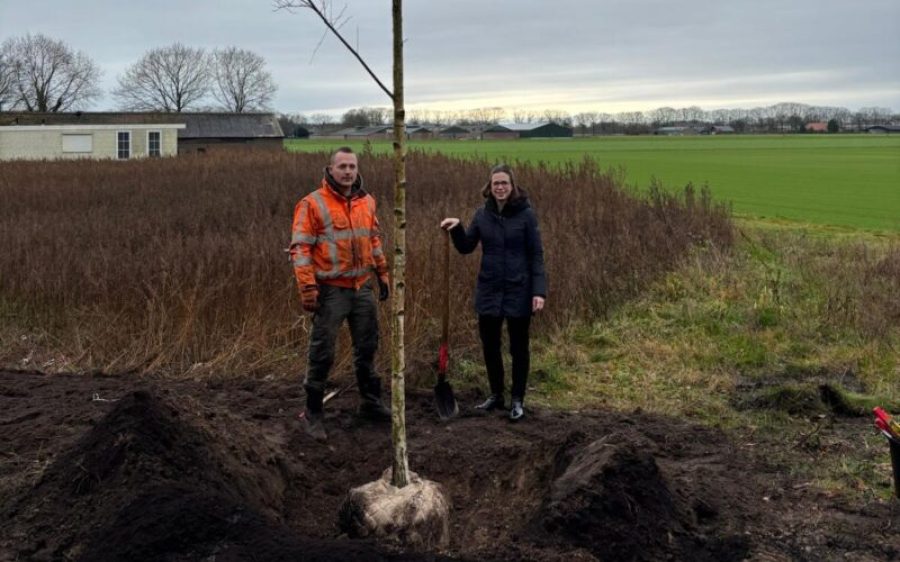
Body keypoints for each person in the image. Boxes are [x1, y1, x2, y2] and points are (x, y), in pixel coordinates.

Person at [289, 146, 391, 441]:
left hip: (362, 288)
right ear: (330, 169)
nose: (348, 172)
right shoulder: (312, 204)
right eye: (342, 166)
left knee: (368, 347)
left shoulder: (367, 201)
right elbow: (301, 249)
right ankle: (312, 413)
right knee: (323, 352)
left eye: (352, 167)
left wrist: (382, 273)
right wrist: (307, 288)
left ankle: (371, 404)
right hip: (331, 291)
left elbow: (373, 239)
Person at [440, 163, 546, 421]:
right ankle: (496, 395)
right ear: (490, 187)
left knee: (519, 348)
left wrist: (538, 292)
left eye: (504, 183)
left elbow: (536, 255)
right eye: (495, 183)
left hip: (519, 289)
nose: (500, 187)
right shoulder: (481, 215)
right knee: (490, 345)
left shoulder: (526, 215)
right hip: (489, 289)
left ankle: (517, 399)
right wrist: (456, 228)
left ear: (512, 187)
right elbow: (466, 247)